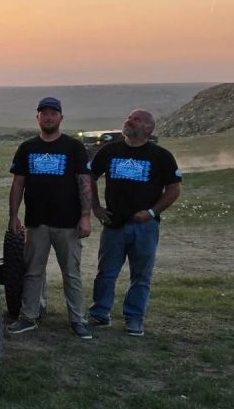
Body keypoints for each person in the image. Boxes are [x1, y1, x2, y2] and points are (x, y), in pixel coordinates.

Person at [6, 98, 94, 339]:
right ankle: (28, 316)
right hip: (37, 222)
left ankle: (78, 319)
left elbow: (84, 182)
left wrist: (85, 216)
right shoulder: (27, 148)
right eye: (44, 113)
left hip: (68, 222)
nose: (48, 117)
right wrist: (14, 215)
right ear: (37, 118)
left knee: (71, 273)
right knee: (33, 272)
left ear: (61, 118)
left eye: (53, 113)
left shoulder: (73, 147)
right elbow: (18, 183)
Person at [88, 109, 182, 336]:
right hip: (114, 224)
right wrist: (96, 207)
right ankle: (100, 313)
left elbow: (173, 189)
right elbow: (89, 177)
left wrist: (151, 212)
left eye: (136, 119)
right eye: (129, 118)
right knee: (106, 272)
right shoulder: (109, 151)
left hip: (145, 227)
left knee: (141, 275)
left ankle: (134, 318)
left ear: (148, 128)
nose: (129, 121)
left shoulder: (161, 156)